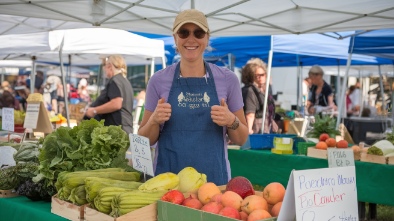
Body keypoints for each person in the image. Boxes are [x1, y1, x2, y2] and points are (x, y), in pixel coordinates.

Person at [138, 9, 248, 185]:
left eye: (198, 33)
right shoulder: (158, 81)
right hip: (168, 183)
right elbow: (143, 140)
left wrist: (231, 120)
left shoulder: (228, 80)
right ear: (175, 38)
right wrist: (154, 121)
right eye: (184, 33)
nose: (191, 39)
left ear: (207, 38)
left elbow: (241, 138)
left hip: (213, 185)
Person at [85, 55, 134, 134]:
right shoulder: (124, 81)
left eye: (105, 67)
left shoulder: (115, 80)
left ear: (110, 66)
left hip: (116, 131)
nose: (104, 70)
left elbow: (117, 103)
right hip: (124, 129)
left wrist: (94, 110)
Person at [241, 60, 277, 134]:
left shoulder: (264, 90)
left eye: (262, 75)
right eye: (256, 75)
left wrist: (272, 123)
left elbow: (267, 111)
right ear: (250, 76)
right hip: (255, 131)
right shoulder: (250, 90)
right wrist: (249, 130)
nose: (260, 77)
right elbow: (250, 114)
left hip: (264, 130)